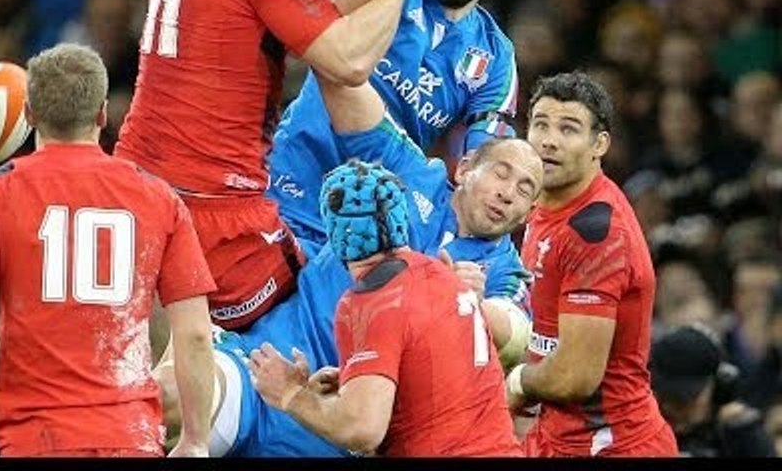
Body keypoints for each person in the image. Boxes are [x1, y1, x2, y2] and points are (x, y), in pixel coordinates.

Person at [114, 0, 428, 329]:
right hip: (215, 220)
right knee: (334, 299)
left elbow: (287, 24)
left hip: (141, 192)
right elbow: (348, 61)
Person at [154, 135, 543, 457]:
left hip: (335, 429)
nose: (506, 193)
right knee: (169, 394)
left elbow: (363, 429)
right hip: (274, 381)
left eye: (524, 187)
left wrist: (291, 394)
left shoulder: (377, 299)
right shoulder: (437, 280)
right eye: (501, 174)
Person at [0, 42, 216, 457]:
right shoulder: (158, 197)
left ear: (29, 115)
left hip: (34, 438)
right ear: (103, 114)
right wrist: (195, 439)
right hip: (129, 435)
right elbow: (195, 333)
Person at [267, 0, 536, 245]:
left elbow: (483, 162)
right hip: (291, 179)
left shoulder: (495, 58)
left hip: (369, 224)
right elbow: (305, 26)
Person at [247, 160, 523, 457]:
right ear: (401, 220)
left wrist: (290, 395)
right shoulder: (444, 271)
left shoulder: (368, 301)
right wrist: (361, 380)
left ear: (335, 236)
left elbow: (362, 431)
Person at [506, 71, 678, 457]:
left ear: (599, 144)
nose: (549, 140)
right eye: (540, 124)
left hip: (612, 443)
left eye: (568, 129)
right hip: (557, 435)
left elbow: (574, 376)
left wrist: (515, 383)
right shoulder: (543, 203)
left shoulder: (596, 233)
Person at [651, 323, 775, 457]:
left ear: (719, 386)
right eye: (666, 396)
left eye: (684, 399)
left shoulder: (739, 432)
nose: (670, 407)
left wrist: (742, 435)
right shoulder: (645, 429)